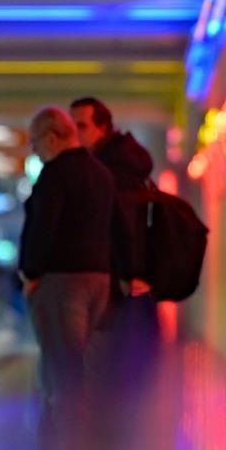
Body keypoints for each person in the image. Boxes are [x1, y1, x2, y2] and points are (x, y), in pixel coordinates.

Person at [16, 106, 116, 450]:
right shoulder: (101, 174)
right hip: (97, 282)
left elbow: (43, 229)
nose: (35, 150)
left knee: (60, 377)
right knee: (80, 373)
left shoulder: (55, 174)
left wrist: (31, 272)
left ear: (53, 137)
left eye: (35, 141)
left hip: (61, 284)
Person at [69, 97, 160, 391]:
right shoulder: (117, 167)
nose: (74, 133)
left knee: (111, 379)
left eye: (81, 126)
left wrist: (125, 275)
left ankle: (110, 434)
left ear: (103, 128)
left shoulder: (111, 172)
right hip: (121, 286)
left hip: (118, 288)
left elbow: (123, 228)